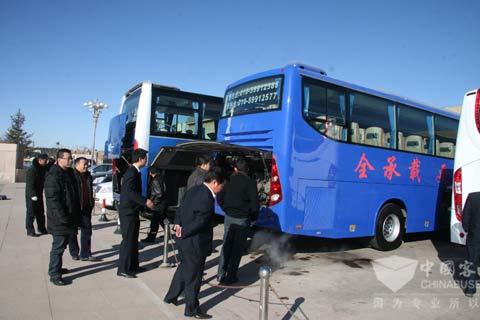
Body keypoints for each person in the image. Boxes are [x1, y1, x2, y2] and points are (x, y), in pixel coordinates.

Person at [164, 167, 226, 319]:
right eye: (222, 186)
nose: (222, 189)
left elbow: (181, 207)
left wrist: (177, 224)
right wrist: (183, 229)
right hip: (195, 242)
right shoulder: (207, 197)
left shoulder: (193, 189)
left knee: (184, 269)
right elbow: (201, 221)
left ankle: (171, 296)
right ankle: (192, 309)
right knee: (194, 276)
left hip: (184, 239)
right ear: (214, 182)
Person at [217, 157, 259, 284]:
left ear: (235, 168)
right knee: (237, 248)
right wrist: (253, 218)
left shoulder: (228, 180)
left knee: (226, 246)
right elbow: (255, 205)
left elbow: (219, 197)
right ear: (247, 169)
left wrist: (226, 209)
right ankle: (231, 275)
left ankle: (220, 274)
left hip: (229, 216)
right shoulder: (250, 182)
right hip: (242, 218)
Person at [45, 149, 81, 286]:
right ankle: (54, 274)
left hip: (69, 217)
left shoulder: (69, 173)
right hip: (59, 219)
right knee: (58, 246)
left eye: (71, 158)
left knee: (63, 245)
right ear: (59, 160)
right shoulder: (53, 175)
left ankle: (56, 267)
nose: (71, 160)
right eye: (68, 159)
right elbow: (53, 200)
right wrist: (62, 218)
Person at [117, 148, 154, 278]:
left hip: (133, 210)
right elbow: (130, 192)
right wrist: (145, 202)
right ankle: (123, 268)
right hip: (128, 212)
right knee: (128, 240)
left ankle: (133, 266)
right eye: (145, 158)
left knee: (133, 240)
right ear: (140, 159)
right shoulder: (131, 172)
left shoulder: (135, 171)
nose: (146, 160)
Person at [68, 157, 99, 261]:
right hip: (74, 208)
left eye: (87, 164)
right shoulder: (71, 176)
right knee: (72, 232)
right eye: (84, 164)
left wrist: (91, 203)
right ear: (77, 164)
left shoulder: (88, 176)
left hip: (86, 208)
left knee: (87, 231)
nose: (86, 166)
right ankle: (74, 252)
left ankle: (85, 253)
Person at [141, 167, 168, 243]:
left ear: (151, 172)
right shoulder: (161, 178)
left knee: (154, 222)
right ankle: (168, 233)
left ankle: (151, 238)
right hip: (163, 203)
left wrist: (153, 203)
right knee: (162, 220)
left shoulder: (155, 180)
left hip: (158, 205)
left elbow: (159, 194)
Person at [25, 153, 49, 237]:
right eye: (45, 160)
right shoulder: (32, 170)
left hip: (39, 193)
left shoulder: (42, 168)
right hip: (32, 195)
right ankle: (30, 230)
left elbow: (49, 167)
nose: (46, 162)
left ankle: (41, 228)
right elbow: (30, 184)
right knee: (31, 213)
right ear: (40, 160)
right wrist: (32, 195)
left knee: (40, 213)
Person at [462, 191, 480, 297]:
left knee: (471, 261)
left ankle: (470, 289)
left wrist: (467, 229)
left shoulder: (473, 197)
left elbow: (466, 215)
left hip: (474, 236)